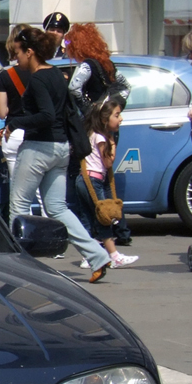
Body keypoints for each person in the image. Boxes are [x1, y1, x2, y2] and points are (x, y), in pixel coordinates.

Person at [5, 26, 111, 282]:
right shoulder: (56, 75)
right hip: (61, 148)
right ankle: (97, 256)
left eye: (18, 53)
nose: (16, 58)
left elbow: (46, 115)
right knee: (57, 208)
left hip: (37, 148)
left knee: (18, 208)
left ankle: (17, 266)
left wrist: (15, 122)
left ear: (30, 52)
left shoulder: (39, 79)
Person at [64, 22, 133, 245]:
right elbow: (126, 87)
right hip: (110, 128)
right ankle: (118, 228)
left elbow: (74, 88)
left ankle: (95, 230)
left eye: (69, 43)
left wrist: (90, 109)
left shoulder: (86, 66)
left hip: (93, 129)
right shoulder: (109, 65)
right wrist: (113, 106)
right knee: (106, 175)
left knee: (87, 175)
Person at [75, 99, 138, 270]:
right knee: (104, 218)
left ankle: (87, 257)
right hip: (93, 181)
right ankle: (114, 255)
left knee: (88, 219)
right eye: (117, 115)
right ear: (104, 119)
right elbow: (108, 163)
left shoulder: (91, 134)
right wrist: (113, 144)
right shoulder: (102, 138)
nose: (121, 119)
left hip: (83, 179)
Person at [0, 22, 33, 178]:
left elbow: (1, 113)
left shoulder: (7, 75)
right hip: (36, 133)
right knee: (40, 191)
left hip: (14, 133)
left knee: (17, 190)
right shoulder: (43, 73)